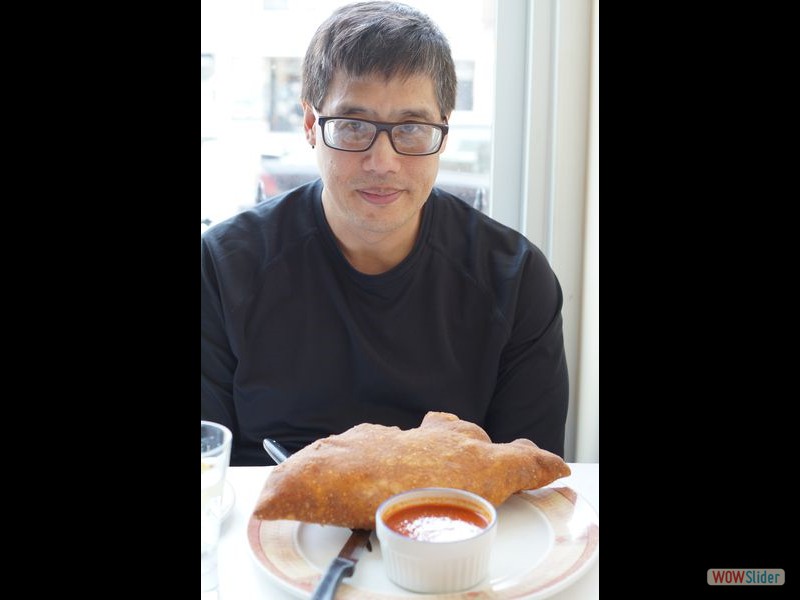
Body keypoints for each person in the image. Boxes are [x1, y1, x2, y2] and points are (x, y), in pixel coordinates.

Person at [201, 0, 569, 466]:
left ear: (444, 134)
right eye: (353, 126)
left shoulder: (515, 281)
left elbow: (530, 481)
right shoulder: (222, 268)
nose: (382, 163)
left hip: (453, 531)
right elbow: (209, 472)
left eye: (412, 129)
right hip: (268, 529)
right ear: (312, 124)